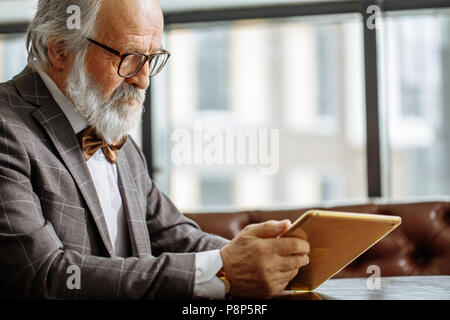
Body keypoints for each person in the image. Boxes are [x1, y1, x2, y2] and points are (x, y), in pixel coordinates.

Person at [0, 0, 309, 299]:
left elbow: (174, 236)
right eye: (129, 57)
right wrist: (222, 268)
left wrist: (269, 256)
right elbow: (41, 275)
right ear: (60, 49)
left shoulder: (116, 136)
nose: (144, 80)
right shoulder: (6, 127)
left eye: (152, 58)